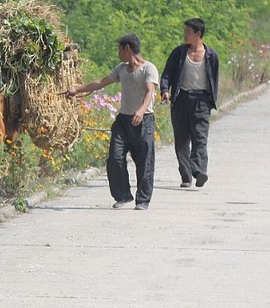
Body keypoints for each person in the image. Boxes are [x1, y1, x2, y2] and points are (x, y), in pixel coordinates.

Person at [65, 34, 159, 210]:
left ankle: (143, 200)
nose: (118, 54)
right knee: (115, 158)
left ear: (127, 49)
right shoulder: (121, 69)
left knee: (144, 162)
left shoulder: (149, 69)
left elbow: (149, 92)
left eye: (119, 49)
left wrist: (140, 111)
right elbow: (101, 82)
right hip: (123, 121)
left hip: (143, 120)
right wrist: (77, 89)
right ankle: (123, 195)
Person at [159, 18, 220, 188]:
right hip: (181, 99)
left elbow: (214, 78)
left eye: (188, 32)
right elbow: (167, 74)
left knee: (200, 138)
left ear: (198, 34)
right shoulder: (179, 53)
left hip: (201, 101)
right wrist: (165, 90)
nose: (184, 35)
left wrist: (210, 99)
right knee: (181, 140)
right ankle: (186, 176)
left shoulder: (211, 55)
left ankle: (199, 171)